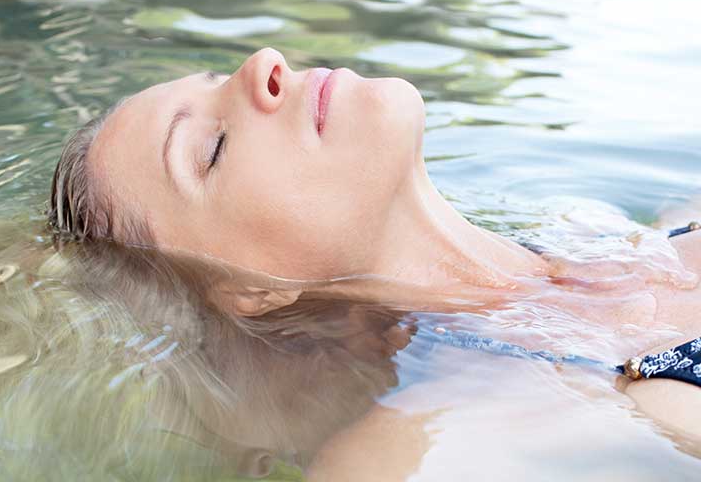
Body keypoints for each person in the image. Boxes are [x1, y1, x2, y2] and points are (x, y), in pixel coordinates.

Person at [48, 47, 701, 475]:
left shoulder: (622, 231)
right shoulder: (414, 444)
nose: (263, 63)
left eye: (221, 78)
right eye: (212, 147)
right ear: (245, 290)